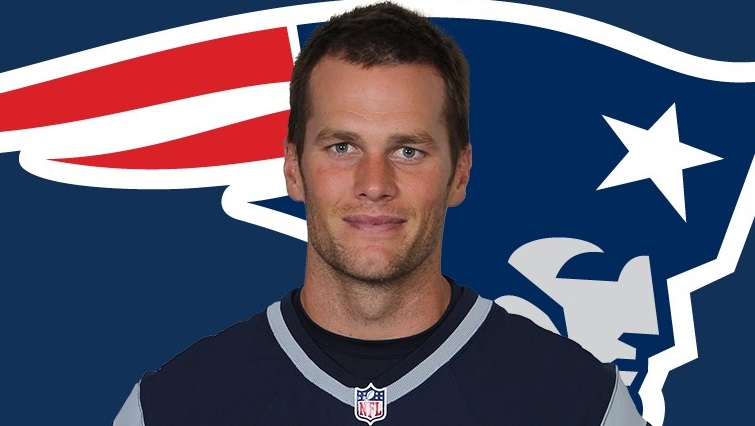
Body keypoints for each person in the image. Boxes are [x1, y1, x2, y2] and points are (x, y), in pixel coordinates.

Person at [114, 2, 649, 425]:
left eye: (408, 151)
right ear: (293, 169)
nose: (374, 184)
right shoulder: (175, 408)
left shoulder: (578, 403)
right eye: (342, 147)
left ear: (460, 173)